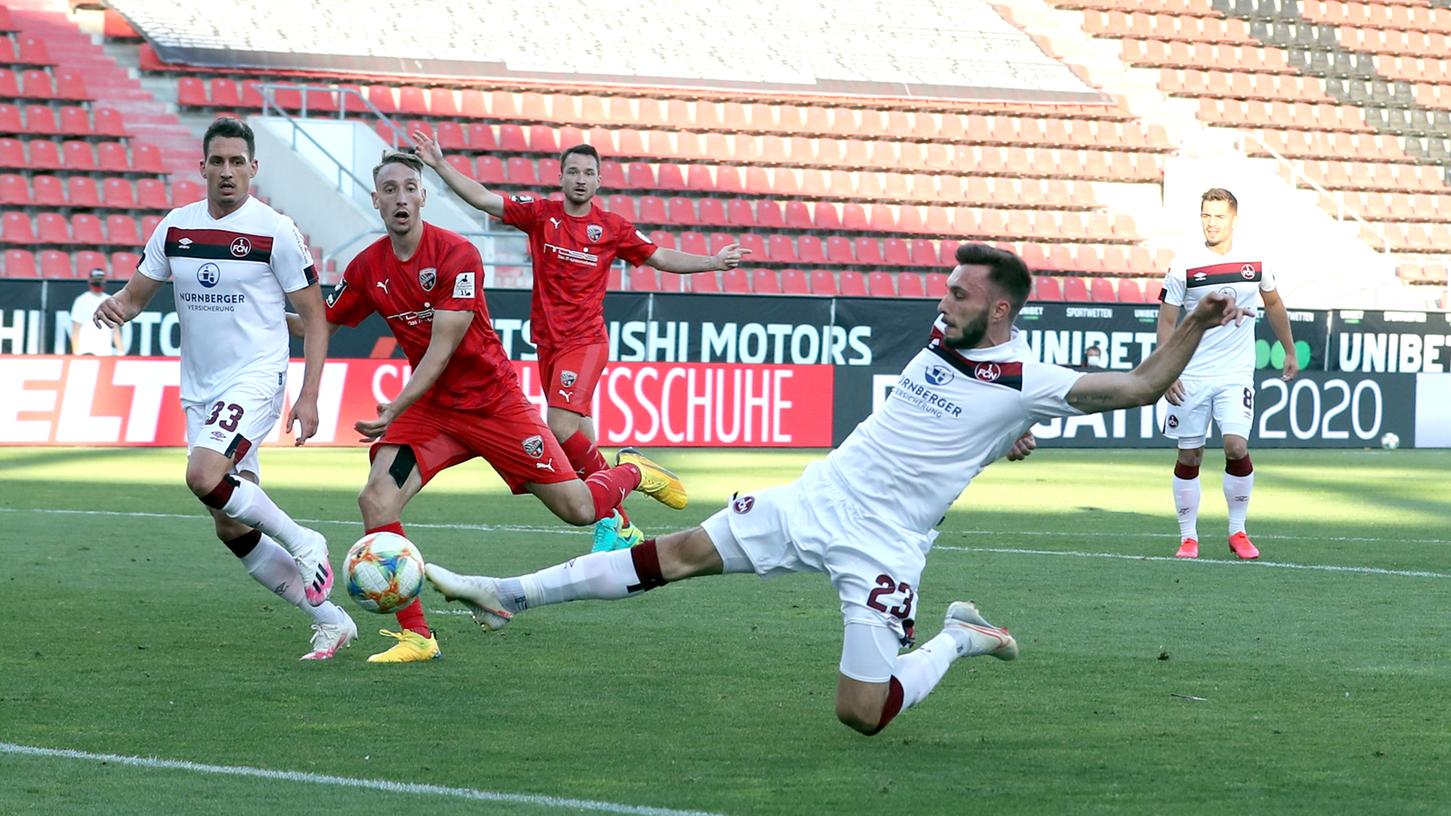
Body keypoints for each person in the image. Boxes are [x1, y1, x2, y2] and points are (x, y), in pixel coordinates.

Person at [426, 243, 1248, 736]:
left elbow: (1141, 387)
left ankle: (960, 639)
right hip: (815, 498)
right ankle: (505, 594)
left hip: (885, 545)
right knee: (672, 554)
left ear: (999, 312)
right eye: (945, 286)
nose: (941, 299)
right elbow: (960, 429)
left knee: (862, 714)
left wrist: (1198, 323)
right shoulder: (946, 344)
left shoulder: (1028, 374)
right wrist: (1004, 438)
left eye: (958, 293)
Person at [301, 149, 687, 663]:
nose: (399, 197)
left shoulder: (457, 253)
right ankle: (417, 636)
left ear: (422, 195)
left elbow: (441, 349)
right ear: (375, 200)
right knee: (376, 500)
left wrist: (394, 407)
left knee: (578, 509)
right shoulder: (368, 267)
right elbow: (321, 321)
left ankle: (632, 471)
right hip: (433, 411)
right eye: (388, 190)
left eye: (407, 188)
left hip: (495, 404)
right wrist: (255, 313)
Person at [411, 131, 748, 552]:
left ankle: (629, 481)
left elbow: (660, 256)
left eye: (589, 173)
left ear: (599, 181)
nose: (581, 179)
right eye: (573, 171)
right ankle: (622, 525)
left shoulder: (612, 228)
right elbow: (485, 199)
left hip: (585, 343)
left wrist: (713, 262)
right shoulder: (541, 215)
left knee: (559, 427)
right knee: (581, 445)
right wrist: (441, 165)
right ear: (561, 177)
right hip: (549, 347)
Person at [93, 117, 353, 660]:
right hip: (201, 389)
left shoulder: (276, 231)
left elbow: (315, 316)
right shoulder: (175, 228)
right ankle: (331, 621)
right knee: (228, 523)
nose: (228, 172)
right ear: (203, 167)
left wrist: (308, 396)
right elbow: (136, 297)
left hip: (257, 377)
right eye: (219, 162)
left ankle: (305, 541)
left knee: (202, 474)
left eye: (238, 162)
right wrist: (117, 306)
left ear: (254, 169)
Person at [1157, 188, 1297, 560]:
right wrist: (1167, 371)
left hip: (1235, 374)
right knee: (1190, 455)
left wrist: (1290, 349)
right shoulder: (1183, 265)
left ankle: (1238, 530)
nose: (1212, 222)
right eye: (1206, 215)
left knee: (1236, 446)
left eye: (1219, 216)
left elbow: (1274, 303)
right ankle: (1189, 537)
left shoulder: (1255, 261)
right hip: (1191, 374)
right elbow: (1167, 322)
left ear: (1234, 218)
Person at [69, 269, 123, 355]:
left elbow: (115, 329)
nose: (98, 281)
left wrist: (121, 351)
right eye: (96, 279)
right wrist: (76, 353)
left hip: (106, 353)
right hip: (86, 352)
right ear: (89, 280)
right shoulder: (81, 300)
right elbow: (75, 329)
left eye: (101, 278)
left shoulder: (110, 300)